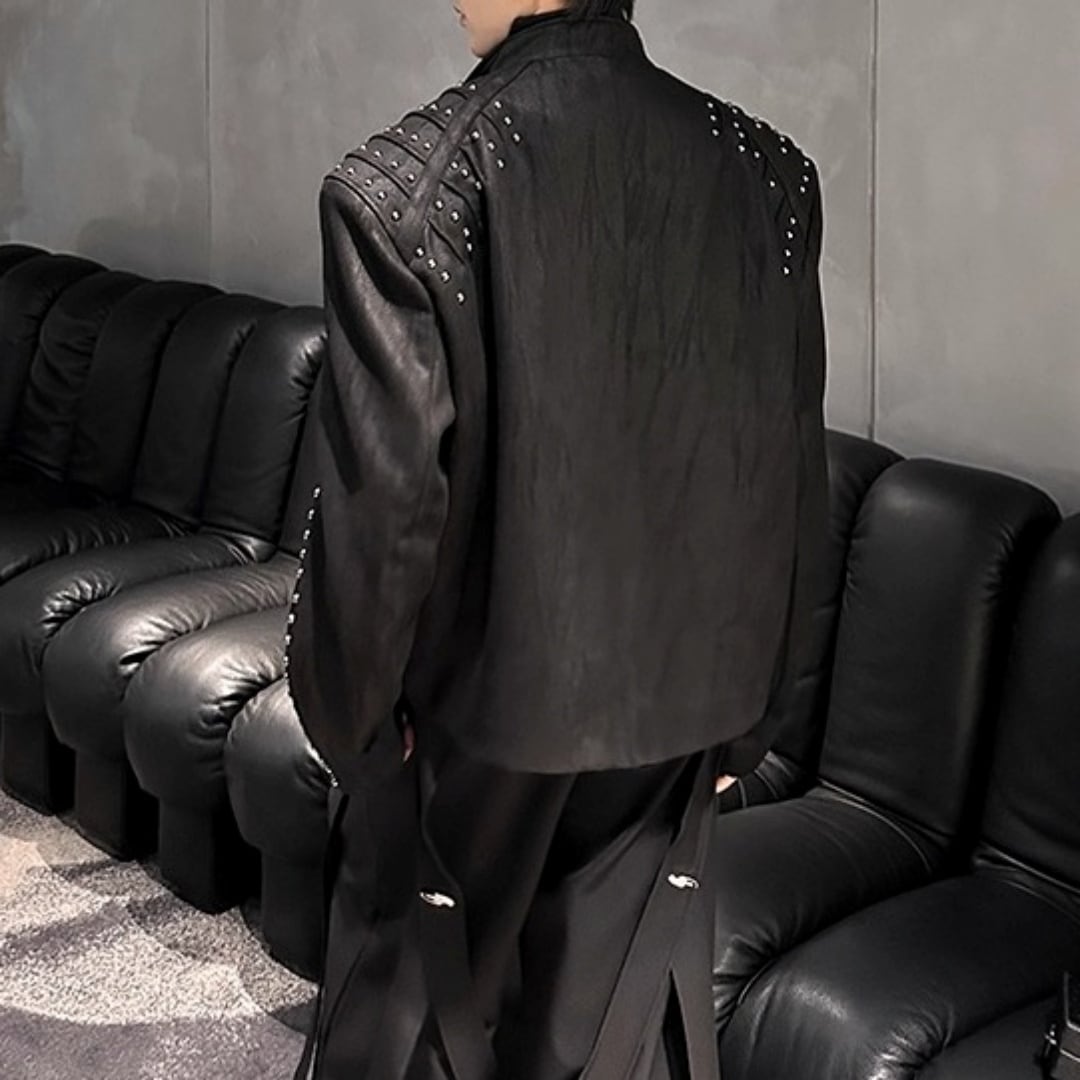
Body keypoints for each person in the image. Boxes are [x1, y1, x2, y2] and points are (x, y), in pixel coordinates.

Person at [285, 0, 829, 1076]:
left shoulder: (407, 192)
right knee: (616, 1042)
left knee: (425, 1030)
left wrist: (358, 736)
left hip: (463, 757)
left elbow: (384, 523)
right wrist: (749, 726)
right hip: (678, 738)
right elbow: (787, 479)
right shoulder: (770, 177)